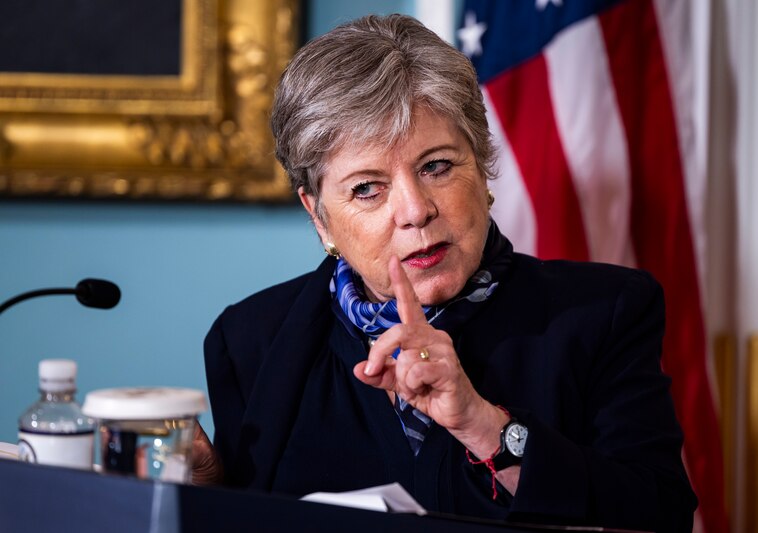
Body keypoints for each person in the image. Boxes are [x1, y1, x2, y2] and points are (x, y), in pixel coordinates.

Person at [193, 13, 697, 531]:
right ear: (318, 215)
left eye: (436, 166)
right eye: (368, 188)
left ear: (481, 167)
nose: (415, 210)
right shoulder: (250, 340)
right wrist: (205, 492)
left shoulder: (603, 314)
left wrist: (483, 426)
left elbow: (658, 515)